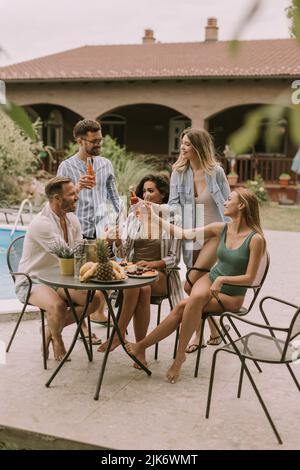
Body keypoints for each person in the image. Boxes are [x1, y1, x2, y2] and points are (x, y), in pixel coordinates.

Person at [126, 188, 266, 383]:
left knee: (187, 305)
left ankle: (173, 357)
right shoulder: (221, 228)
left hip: (232, 295)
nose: (224, 202)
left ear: (241, 205)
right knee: (191, 302)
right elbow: (184, 234)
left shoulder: (255, 239)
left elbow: (250, 278)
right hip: (211, 281)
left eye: (229, 199)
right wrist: (154, 217)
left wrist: (222, 280)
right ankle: (153, 350)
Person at [98, 175, 184, 368]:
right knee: (141, 289)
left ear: (163, 194)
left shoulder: (173, 218)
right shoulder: (133, 216)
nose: (146, 195)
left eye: (151, 191)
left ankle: (118, 335)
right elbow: (122, 254)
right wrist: (117, 240)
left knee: (141, 286)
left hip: (161, 274)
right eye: (144, 191)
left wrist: (153, 265)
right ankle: (140, 352)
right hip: (133, 272)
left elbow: (174, 258)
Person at [15, 176, 104, 361]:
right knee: (57, 306)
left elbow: (81, 254)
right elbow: (68, 255)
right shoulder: (42, 224)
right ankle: (56, 338)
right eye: (72, 194)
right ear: (57, 198)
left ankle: (50, 327)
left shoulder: (72, 219)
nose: (77, 197)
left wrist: (100, 248)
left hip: (60, 278)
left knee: (95, 300)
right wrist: (100, 245)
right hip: (33, 280)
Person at [168, 127, 231, 351]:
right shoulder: (178, 172)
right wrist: (155, 211)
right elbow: (174, 206)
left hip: (215, 235)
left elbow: (228, 206)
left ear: (198, 146)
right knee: (195, 287)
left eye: (187, 144)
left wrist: (233, 235)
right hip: (192, 236)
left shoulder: (217, 173)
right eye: (182, 143)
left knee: (194, 283)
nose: (182, 148)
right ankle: (213, 330)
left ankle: (198, 335)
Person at [57, 119, 122, 325]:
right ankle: (83, 327)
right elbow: (58, 201)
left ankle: (97, 312)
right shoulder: (66, 166)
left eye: (100, 140)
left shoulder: (105, 164)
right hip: (79, 229)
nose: (98, 144)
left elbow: (113, 195)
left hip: (103, 230)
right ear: (80, 141)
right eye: (94, 141)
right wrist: (76, 188)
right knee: (80, 281)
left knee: (106, 275)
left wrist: (119, 219)